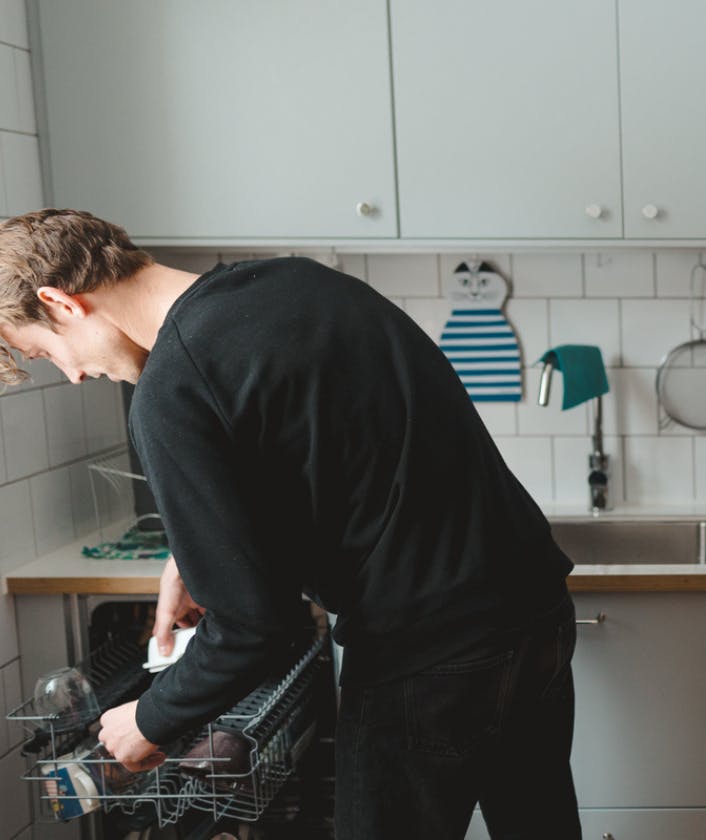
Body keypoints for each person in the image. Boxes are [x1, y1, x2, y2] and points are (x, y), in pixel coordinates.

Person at [0, 209, 582, 839]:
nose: (75, 373)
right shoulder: (297, 283)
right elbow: (335, 460)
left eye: (48, 352)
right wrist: (194, 557)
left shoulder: (170, 389)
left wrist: (150, 720)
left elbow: (259, 628)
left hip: (426, 658)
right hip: (535, 613)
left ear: (60, 302)